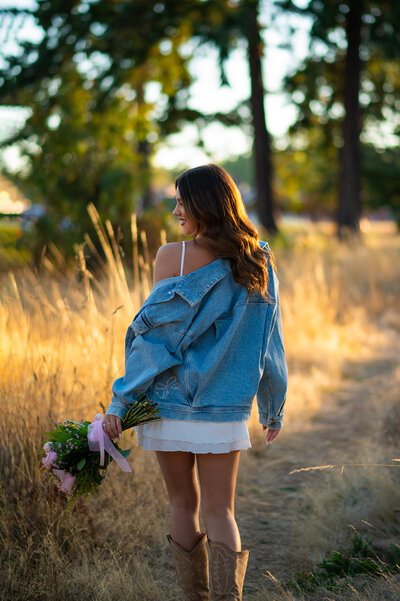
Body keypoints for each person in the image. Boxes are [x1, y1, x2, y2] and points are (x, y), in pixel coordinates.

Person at [102, 164, 288, 601]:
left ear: (206, 202)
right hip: (224, 407)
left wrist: (120, 403)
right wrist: (273, 405)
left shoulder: (173, 257)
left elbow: (154, 341)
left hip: (168, 405)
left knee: (182, 505)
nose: (175, 209)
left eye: (182, 201)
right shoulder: (258, 260)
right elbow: (270, 342)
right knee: (221, 510)